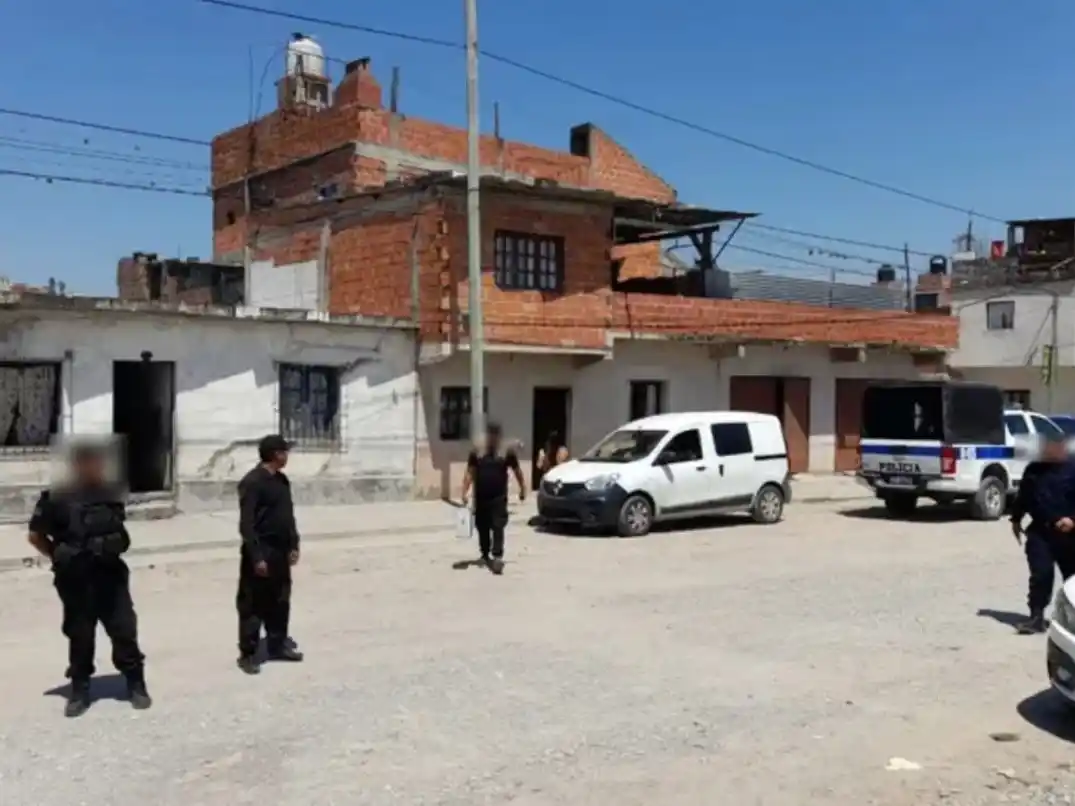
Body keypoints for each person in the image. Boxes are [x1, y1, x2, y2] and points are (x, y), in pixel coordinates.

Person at [27, 442, 150, 718]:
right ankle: (80, 690)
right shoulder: (54, 499)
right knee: (80, 634)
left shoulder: (111, 495)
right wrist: (59, 557)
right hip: (76, 579)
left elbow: (118, 530)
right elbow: (35, 536)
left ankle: (135, 683)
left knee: (124, 630)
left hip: (111, 575)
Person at [236, 434, 304, 674]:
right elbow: (247, 524)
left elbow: (288, 515)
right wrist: (257, 557)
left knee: (280, 600)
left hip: (281, 551)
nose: (287, 457)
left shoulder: (282, 481)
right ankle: (248, 653)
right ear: (276, 455)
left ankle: (277, 644)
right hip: (261, 550)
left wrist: (294, 543)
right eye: (284, 452)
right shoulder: (252, 482)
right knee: (253, 604)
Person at [1010, 432, 1075, 634]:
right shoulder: (1033, 470)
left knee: (1073, 580)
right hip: (1040, 531)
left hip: (1070, 534)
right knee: (1041, 575)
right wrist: (1016, 519)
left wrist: (1073, 520)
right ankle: (1036, 618)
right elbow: (1024, 496)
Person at [462, 422, 526, 574]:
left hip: (498, 497)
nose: (492, 439)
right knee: (482, 526)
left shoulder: (506, 452)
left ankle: (497, 556)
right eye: (490, 436)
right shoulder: (477, 452)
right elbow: (470, 472)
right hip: (481, 497)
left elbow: (517, 471)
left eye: (495, 436)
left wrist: (523, 488)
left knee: (498, 526)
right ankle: (484, 553)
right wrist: (464, 491)